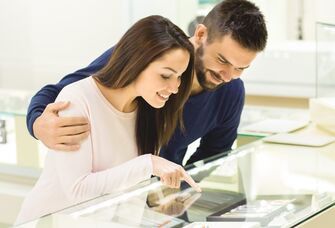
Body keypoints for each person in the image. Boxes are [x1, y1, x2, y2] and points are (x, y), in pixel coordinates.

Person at [27, 0, 267, 166]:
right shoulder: (151, 56)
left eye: (241, 68)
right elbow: (58, 92)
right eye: (222, 61)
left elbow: (216, 150)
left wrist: (183, 190)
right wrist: (38, 124)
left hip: (159, 199)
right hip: (108, 193)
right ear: (201, 34)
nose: (227, 75)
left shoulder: (231, 91)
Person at [16, 15, 201, 224]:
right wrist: (148, 164)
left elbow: (130, 195)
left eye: (179, 77)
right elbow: (78, 192)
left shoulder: (148, 111)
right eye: (166, 76)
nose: (175, 88)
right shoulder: (77, 99)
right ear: (136, 62)